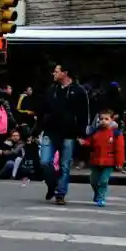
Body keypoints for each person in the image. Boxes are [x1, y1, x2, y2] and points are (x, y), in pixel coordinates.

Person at [38, 64, 89, 205]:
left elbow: (83, 115)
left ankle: (60, 194)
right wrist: (39, 127)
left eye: (56, 71)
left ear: (65, 73)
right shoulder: (51, 90)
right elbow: (42, 110)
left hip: (69, 134)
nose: (53, 74)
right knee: (45, 162)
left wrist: (81, 134)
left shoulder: (79, 91)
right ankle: (52, 185)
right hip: (50, 131)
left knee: (65, 166)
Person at [80, 109, 126, 207]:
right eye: (101, 119)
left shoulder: (116, 133)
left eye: (106, 119)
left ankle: (101, 197)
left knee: (104, 181)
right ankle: (97, 193)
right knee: (93, 181)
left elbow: (119, 149)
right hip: (95, 161)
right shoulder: (95, 131)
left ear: (112, 120)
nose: (103, 121)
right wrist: (84, 142)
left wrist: (119, 163)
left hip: (108, 162)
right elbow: (90, 142)